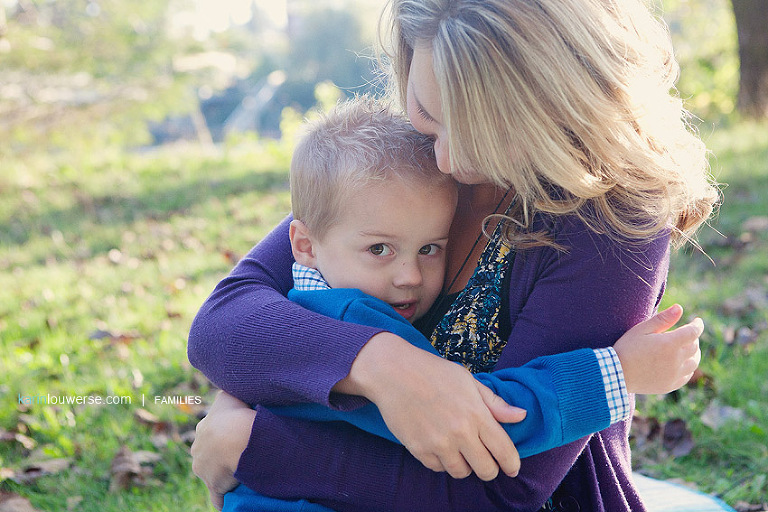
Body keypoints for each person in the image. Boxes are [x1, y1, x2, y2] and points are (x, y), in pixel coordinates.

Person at [188, 0, 720, 510]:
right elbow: (222, 322)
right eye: (427, 114)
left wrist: (254, 445)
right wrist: (380, 365)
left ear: (561, 106)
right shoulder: (400, 161)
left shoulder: (613, 221)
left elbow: (503, 487)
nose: (446, 159)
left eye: (484, 131)